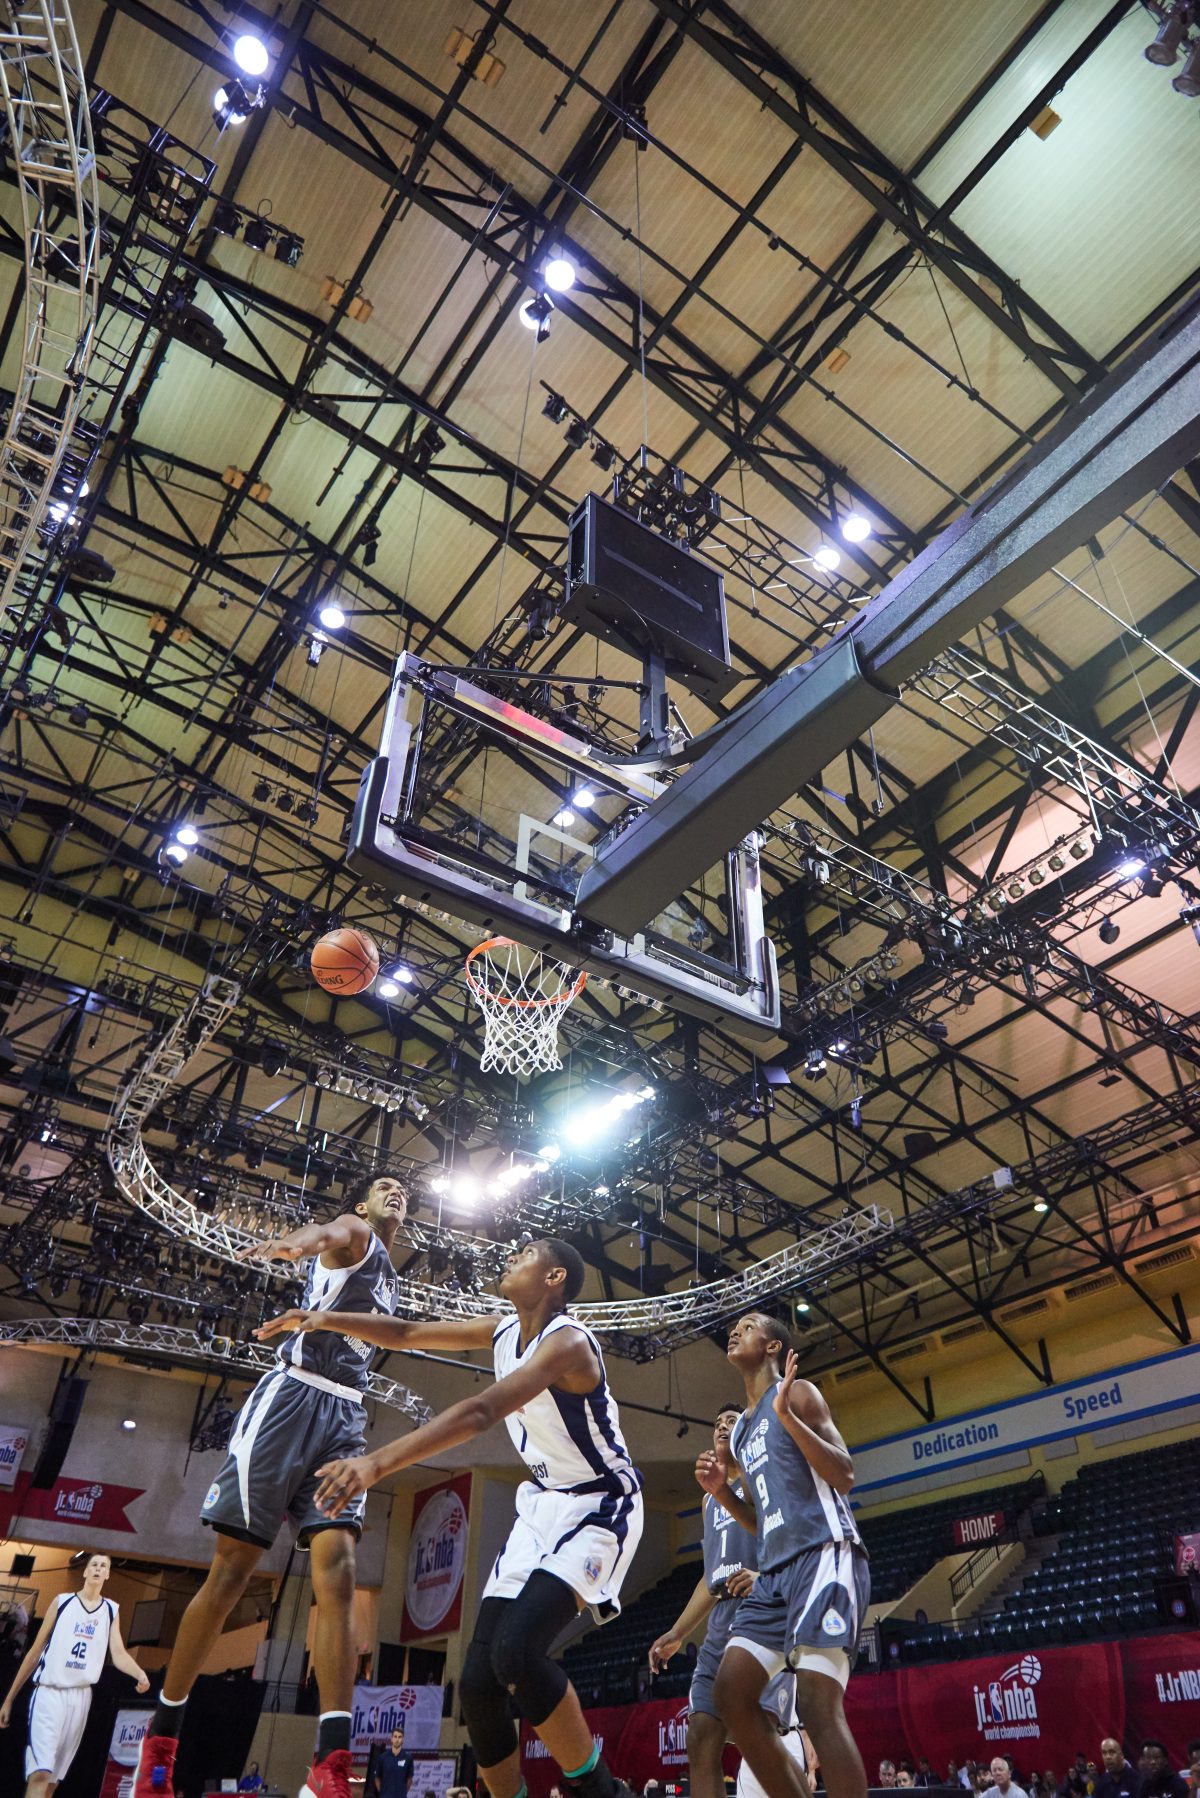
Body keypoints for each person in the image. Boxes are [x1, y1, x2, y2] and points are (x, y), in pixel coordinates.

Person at [257, 1236, 643, 1798]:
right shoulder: (503, 1331)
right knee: (479, 1685)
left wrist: (375, 1463)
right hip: (542, 1505)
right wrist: (324, 1318)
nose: (512, 1255)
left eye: (526, 1253)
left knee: (516, 1653)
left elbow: (483, 1411)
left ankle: (603, 1792)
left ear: (555, 1277)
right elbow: (407, 1333)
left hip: (600, 1502)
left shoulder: (569, 1342)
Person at [132, 1170, 408, 1798]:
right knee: (232, 1572)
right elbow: (324, 1232)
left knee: (339, 1575)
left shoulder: (392, 1273)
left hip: (345, 1417)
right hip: (290, 1403)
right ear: (362, 1201)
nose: (397, 1193)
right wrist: (297, 1244)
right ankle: (161, 1747)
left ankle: (330, 1761)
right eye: (384, 1185)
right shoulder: (356, 1232)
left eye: (404, 1191)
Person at [695, 1312, 870, 1798]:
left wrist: (789, 1420)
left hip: (823, 1554)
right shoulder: (742, 1432)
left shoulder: (798, 1394)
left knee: (816, 1704)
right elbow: (762, 1518)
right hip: (774, 1572)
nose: (736, 1330)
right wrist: (722, 1493)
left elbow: (845, 1474)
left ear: (773, 1346)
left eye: (749, 1326)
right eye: (735, 1327)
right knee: (730, 1694)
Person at [650, 1404, 802, 1798]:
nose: (721, 1427)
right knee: (701, 1735)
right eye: (717, 1423)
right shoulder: (709, 1500)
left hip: (763, 1610)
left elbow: (793, 1540)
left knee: (759, 1738)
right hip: (721, 1620)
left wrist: (763, 1577)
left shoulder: (763, 1477)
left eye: (731, 1422)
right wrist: (678, 1631)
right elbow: (711, 1576)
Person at [0, 1550, 149, 1798]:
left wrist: (140, 1673)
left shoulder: (111, 1610)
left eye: (103, 1566)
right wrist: (9, 1699)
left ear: (108, 1574)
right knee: (40, 1773)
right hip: (50, 1693)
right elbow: (34, 1652)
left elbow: (119, 1653)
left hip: (80, 1697)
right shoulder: (62, 1602)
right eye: (94, 1564)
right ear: (86, 1571)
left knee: (52, 1782)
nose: (98, 1568)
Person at [375, 1725, 415, 1798]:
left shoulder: (408, 1758)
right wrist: (382, 1792)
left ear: (403, 1739)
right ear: (391, 1739)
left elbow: (409, 1779)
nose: (397, 1739)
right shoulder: (382, 1757)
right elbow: (377, 1778)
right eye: (395, 1736)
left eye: (400, 1737)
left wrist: (403, 1793)